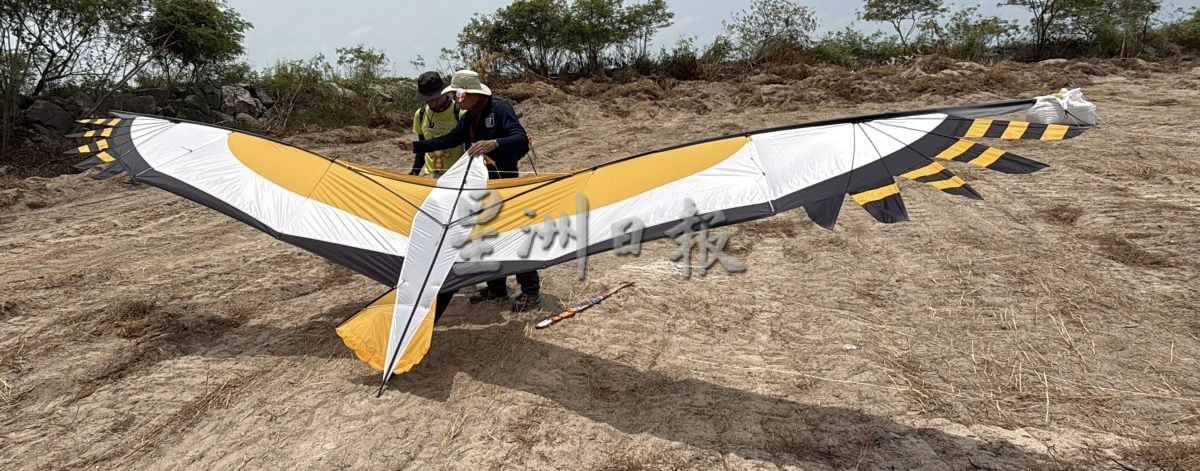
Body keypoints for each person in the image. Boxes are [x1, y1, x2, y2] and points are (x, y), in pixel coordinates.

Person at [397, 70, 542, 317]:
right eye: (453, 94)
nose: (455, 98)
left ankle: (530, 290)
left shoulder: (500, 109)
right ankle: (497, 288)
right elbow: (451, 139)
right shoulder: (469, 116)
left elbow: (519, 137)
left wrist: (494, 143)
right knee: (484, 234)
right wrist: (416, 147)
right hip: (479, 185)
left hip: (503, 182)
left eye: (457, 94)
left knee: (512, 234)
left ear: (472, 94)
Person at [409, 71, 466, 176]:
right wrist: (414, 172)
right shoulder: (420, 115)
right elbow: (422, 148)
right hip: (430, 175)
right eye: (425, 99)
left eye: (432, 98)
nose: (429, 102)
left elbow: (468, 147)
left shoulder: (459, 112)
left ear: (443, 92)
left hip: (456, 175)